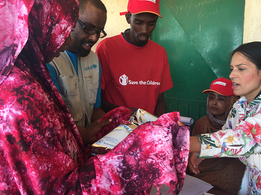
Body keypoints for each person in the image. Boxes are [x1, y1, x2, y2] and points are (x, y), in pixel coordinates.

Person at [0, 0, 190, 194]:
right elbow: (58, 183)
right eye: (64, 27)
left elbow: (91, 111)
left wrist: (119, 125)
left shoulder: (40, 69)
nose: (65, 39)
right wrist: (143, 144)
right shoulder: (20, 90)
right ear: (37, 23)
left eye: (98, 31)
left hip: (84, 155)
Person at [189, 41, 261, 194]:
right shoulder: (240, 105)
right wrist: (199, 152)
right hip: (255, 179)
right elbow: (227, 133)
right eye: (232, 69)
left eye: (241, 69)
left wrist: (183, 141)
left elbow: (244, 138)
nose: (231, 75)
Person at [95, 0, 173, 117]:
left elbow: (160, 99)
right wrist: (127, 113)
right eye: (139, 22)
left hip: (147, 129)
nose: (144, 30)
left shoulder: (160, 53)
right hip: (116, 128)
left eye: (151, 23)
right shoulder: (106, 48)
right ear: (128, 18)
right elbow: (97, 99)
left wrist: (159, 124)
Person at [47, 0, 107, 145]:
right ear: (71, 21)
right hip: (66, 145)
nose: (94, 38)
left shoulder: (93, 59)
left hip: (88, 145)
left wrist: (116, 124)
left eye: (99, 31)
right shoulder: (51, 61)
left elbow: (95, 109)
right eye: (88, 28)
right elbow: (54, 124)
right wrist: (84, 135)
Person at [190, 77, 245, 194]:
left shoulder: (238, 126)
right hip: (201, 175)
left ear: (231, 102)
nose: (214, 102)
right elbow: (193, 157)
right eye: (211, 98)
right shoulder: (201, 123)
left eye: (221, 99)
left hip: (226, 178)